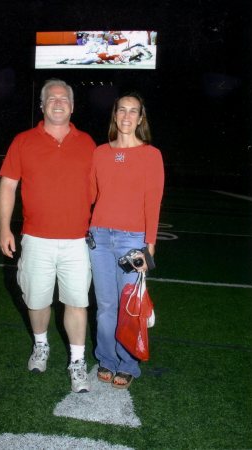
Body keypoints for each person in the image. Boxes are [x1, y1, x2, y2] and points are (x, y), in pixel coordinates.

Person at [0, 79, 96, 393]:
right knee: (37, 301)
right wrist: (3, 228)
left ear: (72, 105)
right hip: (36, 238)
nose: (58, 102)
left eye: (64, 98)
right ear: (42, 106)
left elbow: (102, 191)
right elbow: (8, 186)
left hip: (78, 241)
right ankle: (41, 346)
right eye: (51, 98)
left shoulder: (88, 143)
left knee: (77, 302)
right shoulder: (23, 141)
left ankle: (77, 361)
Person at [89, 92, 164, 389]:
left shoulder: (151, 154)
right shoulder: (99, 153)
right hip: (100, 237)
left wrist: (150, 246)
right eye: (122, 110)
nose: (127, 116)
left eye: (134, 111)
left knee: (129, 306)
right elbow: (91, 195)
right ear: (115, 115)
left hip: (132, 241)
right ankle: (106, 359)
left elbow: (153, 202)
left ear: (140, 118)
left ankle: (128, 363)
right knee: (106, 306)